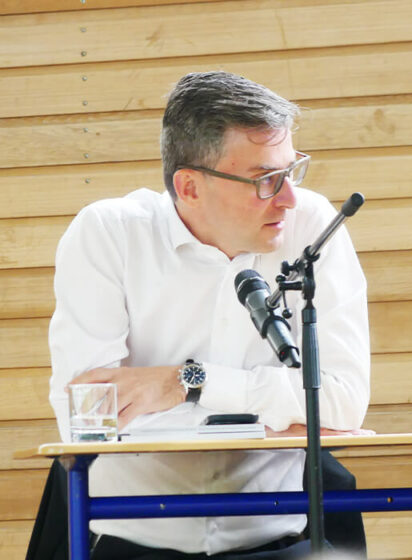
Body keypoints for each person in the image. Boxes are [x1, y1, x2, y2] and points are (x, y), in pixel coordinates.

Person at [47, 71, 371, 559]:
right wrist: (271, 420)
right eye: (265, 179)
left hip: (280, 537)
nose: (287, 197)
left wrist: (187, 382)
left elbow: (343, 403)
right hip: (135, 538)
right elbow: (89, 416)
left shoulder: (314, 226)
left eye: (292, 170)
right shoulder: (107, 235)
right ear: (189, 187)